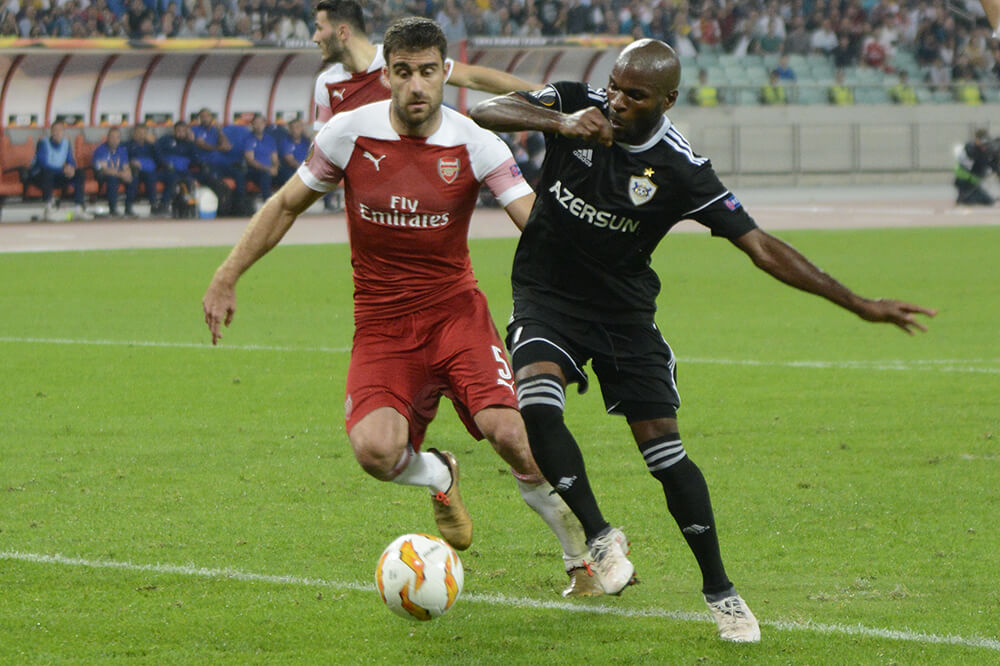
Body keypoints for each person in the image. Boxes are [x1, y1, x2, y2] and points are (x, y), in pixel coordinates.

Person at [469, 38, 936, 643]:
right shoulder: (575, 102)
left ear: (667, 100)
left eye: (635, 95)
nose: (616, 102)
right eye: (614, 87)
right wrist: (560, 122)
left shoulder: (681, 169)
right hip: (546, 298)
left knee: (665, 455)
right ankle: (600, 536)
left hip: (623, 314)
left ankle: (722, 592)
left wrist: (859, 304)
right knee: (536, 405)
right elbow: (486, 110)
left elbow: (760, 246)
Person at [203, 17, 596, 598]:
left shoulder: (475, 142)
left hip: (456, 315)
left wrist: (586, 294)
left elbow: (536, 228)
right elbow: (286, 205)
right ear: (385, 74)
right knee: (375, 451)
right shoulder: (346, 134)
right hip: (382, 325)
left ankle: (581, 562)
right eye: (404, 72)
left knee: (512, 433)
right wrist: (226, 274)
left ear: (445, 74)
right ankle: (439, 473)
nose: (416, 85)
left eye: (428, 72)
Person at [310, 0, 543, 212]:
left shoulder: (401, 58)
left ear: (342, 32)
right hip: (377, 197)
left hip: (430, 179)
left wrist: (537, 92)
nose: (315, 37)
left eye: (320, 28)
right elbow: (321, 146)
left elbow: (472, 77)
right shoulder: (326, 83)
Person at [29, 120, 92, 221]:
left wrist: (71, 169)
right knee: (48, 173)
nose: (57, 133)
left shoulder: (66, 143)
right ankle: (49, 207)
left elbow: (70, 160)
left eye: (60, 130)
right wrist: (62, 169)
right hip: (40, 176)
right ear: (51, 132)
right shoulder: (43, 143)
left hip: (57, 175)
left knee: (79, 173)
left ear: (63, 132)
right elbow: (43, 164)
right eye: (55, 130)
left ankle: (79, 208)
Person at [154, 120, 199, 216]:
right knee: (173, 179)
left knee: (190, 181)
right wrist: (164, 163)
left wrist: (193, 142)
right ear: (174, 131)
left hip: (183, 171)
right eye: (178, 131)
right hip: (167, 170)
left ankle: (188, 208)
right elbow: (157, 153)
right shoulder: (165, 140)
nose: (180, 133)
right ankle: (164, 205)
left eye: (183, 131)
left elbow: (196, 159)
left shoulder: (189, 144)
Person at [92, 126, 136, 218]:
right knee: (112, 179)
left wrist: (127, 174)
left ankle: (128, 208)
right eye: (112, 137)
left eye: (117, 138)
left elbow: (125, 166)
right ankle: (113, 209)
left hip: (118, 174)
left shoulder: (122, 150)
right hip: (103, 175)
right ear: (107, 138)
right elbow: (104, 169)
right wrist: (120, 174)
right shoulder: (101, 150)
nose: (115, 140)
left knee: (132, 178)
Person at [126, 124, 169, 215]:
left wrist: (154, 144)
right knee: (134, 176)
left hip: (151, 171)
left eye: (144, 133)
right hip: (134, 170)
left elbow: (160, 160)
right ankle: (128, 207)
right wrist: (130, 162)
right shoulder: (128, 145)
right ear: (134, 133)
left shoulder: (151, 145)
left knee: (156, 177)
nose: (141, 136)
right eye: (139, 133)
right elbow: (122, 158)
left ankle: (156, 205)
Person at [954, 128, 998, 205]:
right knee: (968, 199)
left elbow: (992, 165)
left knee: (988, 200)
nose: (984, 146)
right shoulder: (970, 148)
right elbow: (975, 157)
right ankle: (965, 198)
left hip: (974, 182)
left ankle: (967, 197)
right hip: (965, 181)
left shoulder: (986, 151)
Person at [242, 113, 279, 201]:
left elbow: (275, 158)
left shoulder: (270, 139)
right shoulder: (249, 139)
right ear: (252, 125)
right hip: (255, 171)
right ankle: (267, 202)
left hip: (270, 170)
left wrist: (275, 168)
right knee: (265, 175)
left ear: (264, 124)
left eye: (261, 123)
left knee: (287, 174)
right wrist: (267, 169)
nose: (259, 126)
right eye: (256, 123)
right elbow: (250, 160)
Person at [277, 117, 310, 187]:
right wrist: (306, 170)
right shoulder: (285, 142)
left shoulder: (306, 141)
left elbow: (318, 150)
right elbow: (291, 162)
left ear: (301, 129)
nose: (295, 130)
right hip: (292, 170)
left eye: (297, 127)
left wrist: (308, 136)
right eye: (292, 128)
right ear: (289, 130)